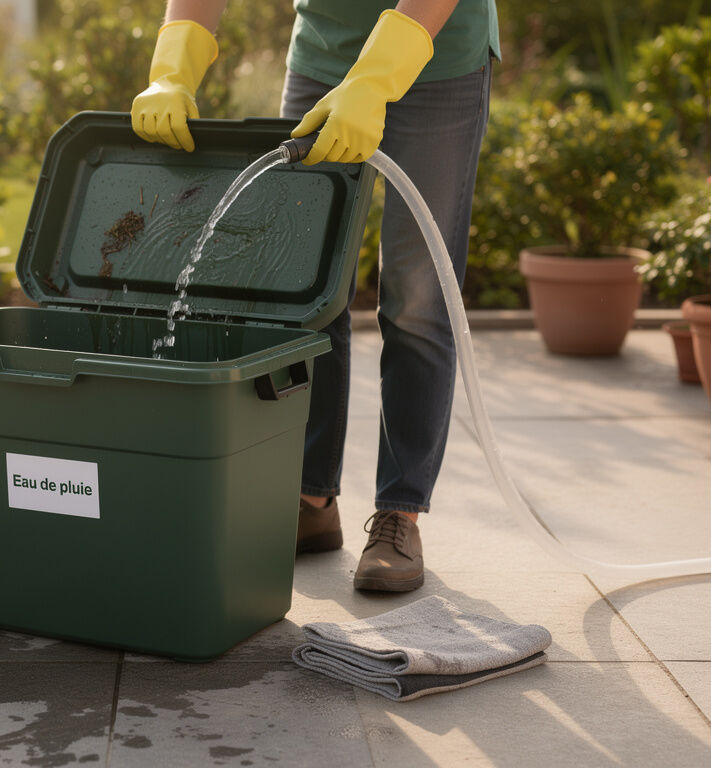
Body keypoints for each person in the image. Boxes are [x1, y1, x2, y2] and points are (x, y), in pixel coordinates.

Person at [131, 0, 498, 592]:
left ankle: (398, 515)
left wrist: (376, 78)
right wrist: (171, 69)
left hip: (440, 62)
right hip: (323, 55)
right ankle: (310, 498)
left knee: (417, 299)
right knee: (305, 288)